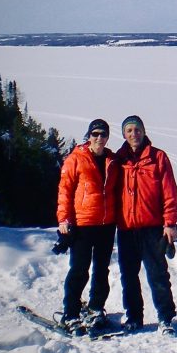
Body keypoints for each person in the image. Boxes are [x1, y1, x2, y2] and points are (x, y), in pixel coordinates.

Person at [115, 115, 177, 335]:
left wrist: (170, 223)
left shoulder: (158, 157)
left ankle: (165, 318)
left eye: (137, 129)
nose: (134, 134)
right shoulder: (118, 160)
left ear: (144, 131)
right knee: (128, 275)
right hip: (126, 228)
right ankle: (134, 317)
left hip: (152, 227)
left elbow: (169, 192)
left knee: (157, 274)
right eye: (130, 130)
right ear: (124, 134)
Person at [56, 118, 119, 335]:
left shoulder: (112, 160)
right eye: (95, 134)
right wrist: (64, 220)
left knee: (102, 270)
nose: (99, 138)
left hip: (106, 224)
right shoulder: (76, 158)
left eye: (103, 134)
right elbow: (65, 190)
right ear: (89, 136)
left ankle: (96, 309)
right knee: (79, 270)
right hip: (83, 224)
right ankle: (70, 314)